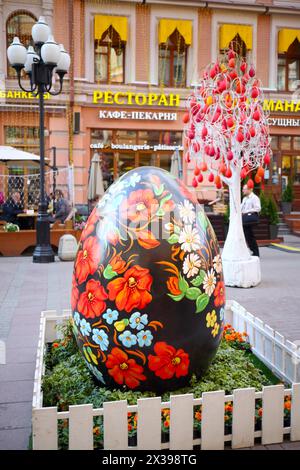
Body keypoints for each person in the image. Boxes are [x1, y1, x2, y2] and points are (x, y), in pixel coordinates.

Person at [241, 184, 261, 257]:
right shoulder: (245, 198)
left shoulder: (254, 198)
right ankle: (254, 251)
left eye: (244, 189)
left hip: (248, 220)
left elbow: (258, 208)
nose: (243, 190)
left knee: (249, 236)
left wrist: (247, 211)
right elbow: (241, 208)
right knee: (248, 236)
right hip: (244, 220)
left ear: (250, 190)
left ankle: (255, 252)